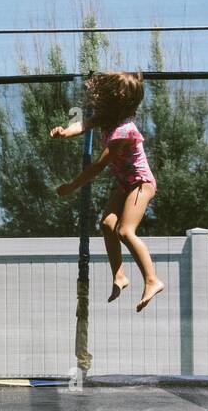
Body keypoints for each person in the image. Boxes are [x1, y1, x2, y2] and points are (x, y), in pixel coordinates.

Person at [51, 71, 165, 312]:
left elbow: (99, 166)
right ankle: (120, 276)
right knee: (106, 225)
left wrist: (72, 186)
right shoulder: (106, 118)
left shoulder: (124, 131)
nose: (97, 100)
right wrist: (64, 132)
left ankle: (152, 280)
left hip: (140, 184)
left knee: (125, 230)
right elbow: (84, 124)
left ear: (116, 100)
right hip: (125, 184)